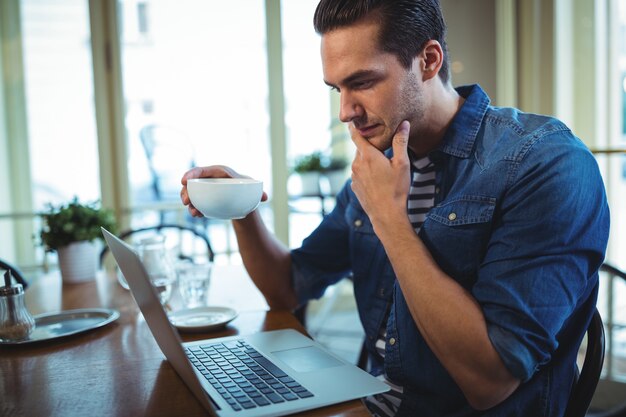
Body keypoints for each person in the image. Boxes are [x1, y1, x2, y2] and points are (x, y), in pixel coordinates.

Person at [180, 1, 610, 416]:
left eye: (363, 82)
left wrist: (390, 219)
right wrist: (243, 207)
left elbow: (490, 382)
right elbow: (288, 287)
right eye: (337, 89)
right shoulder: (378, 165)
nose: (346, 111)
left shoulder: (545, 163)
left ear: (428, 60)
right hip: (372, 404)